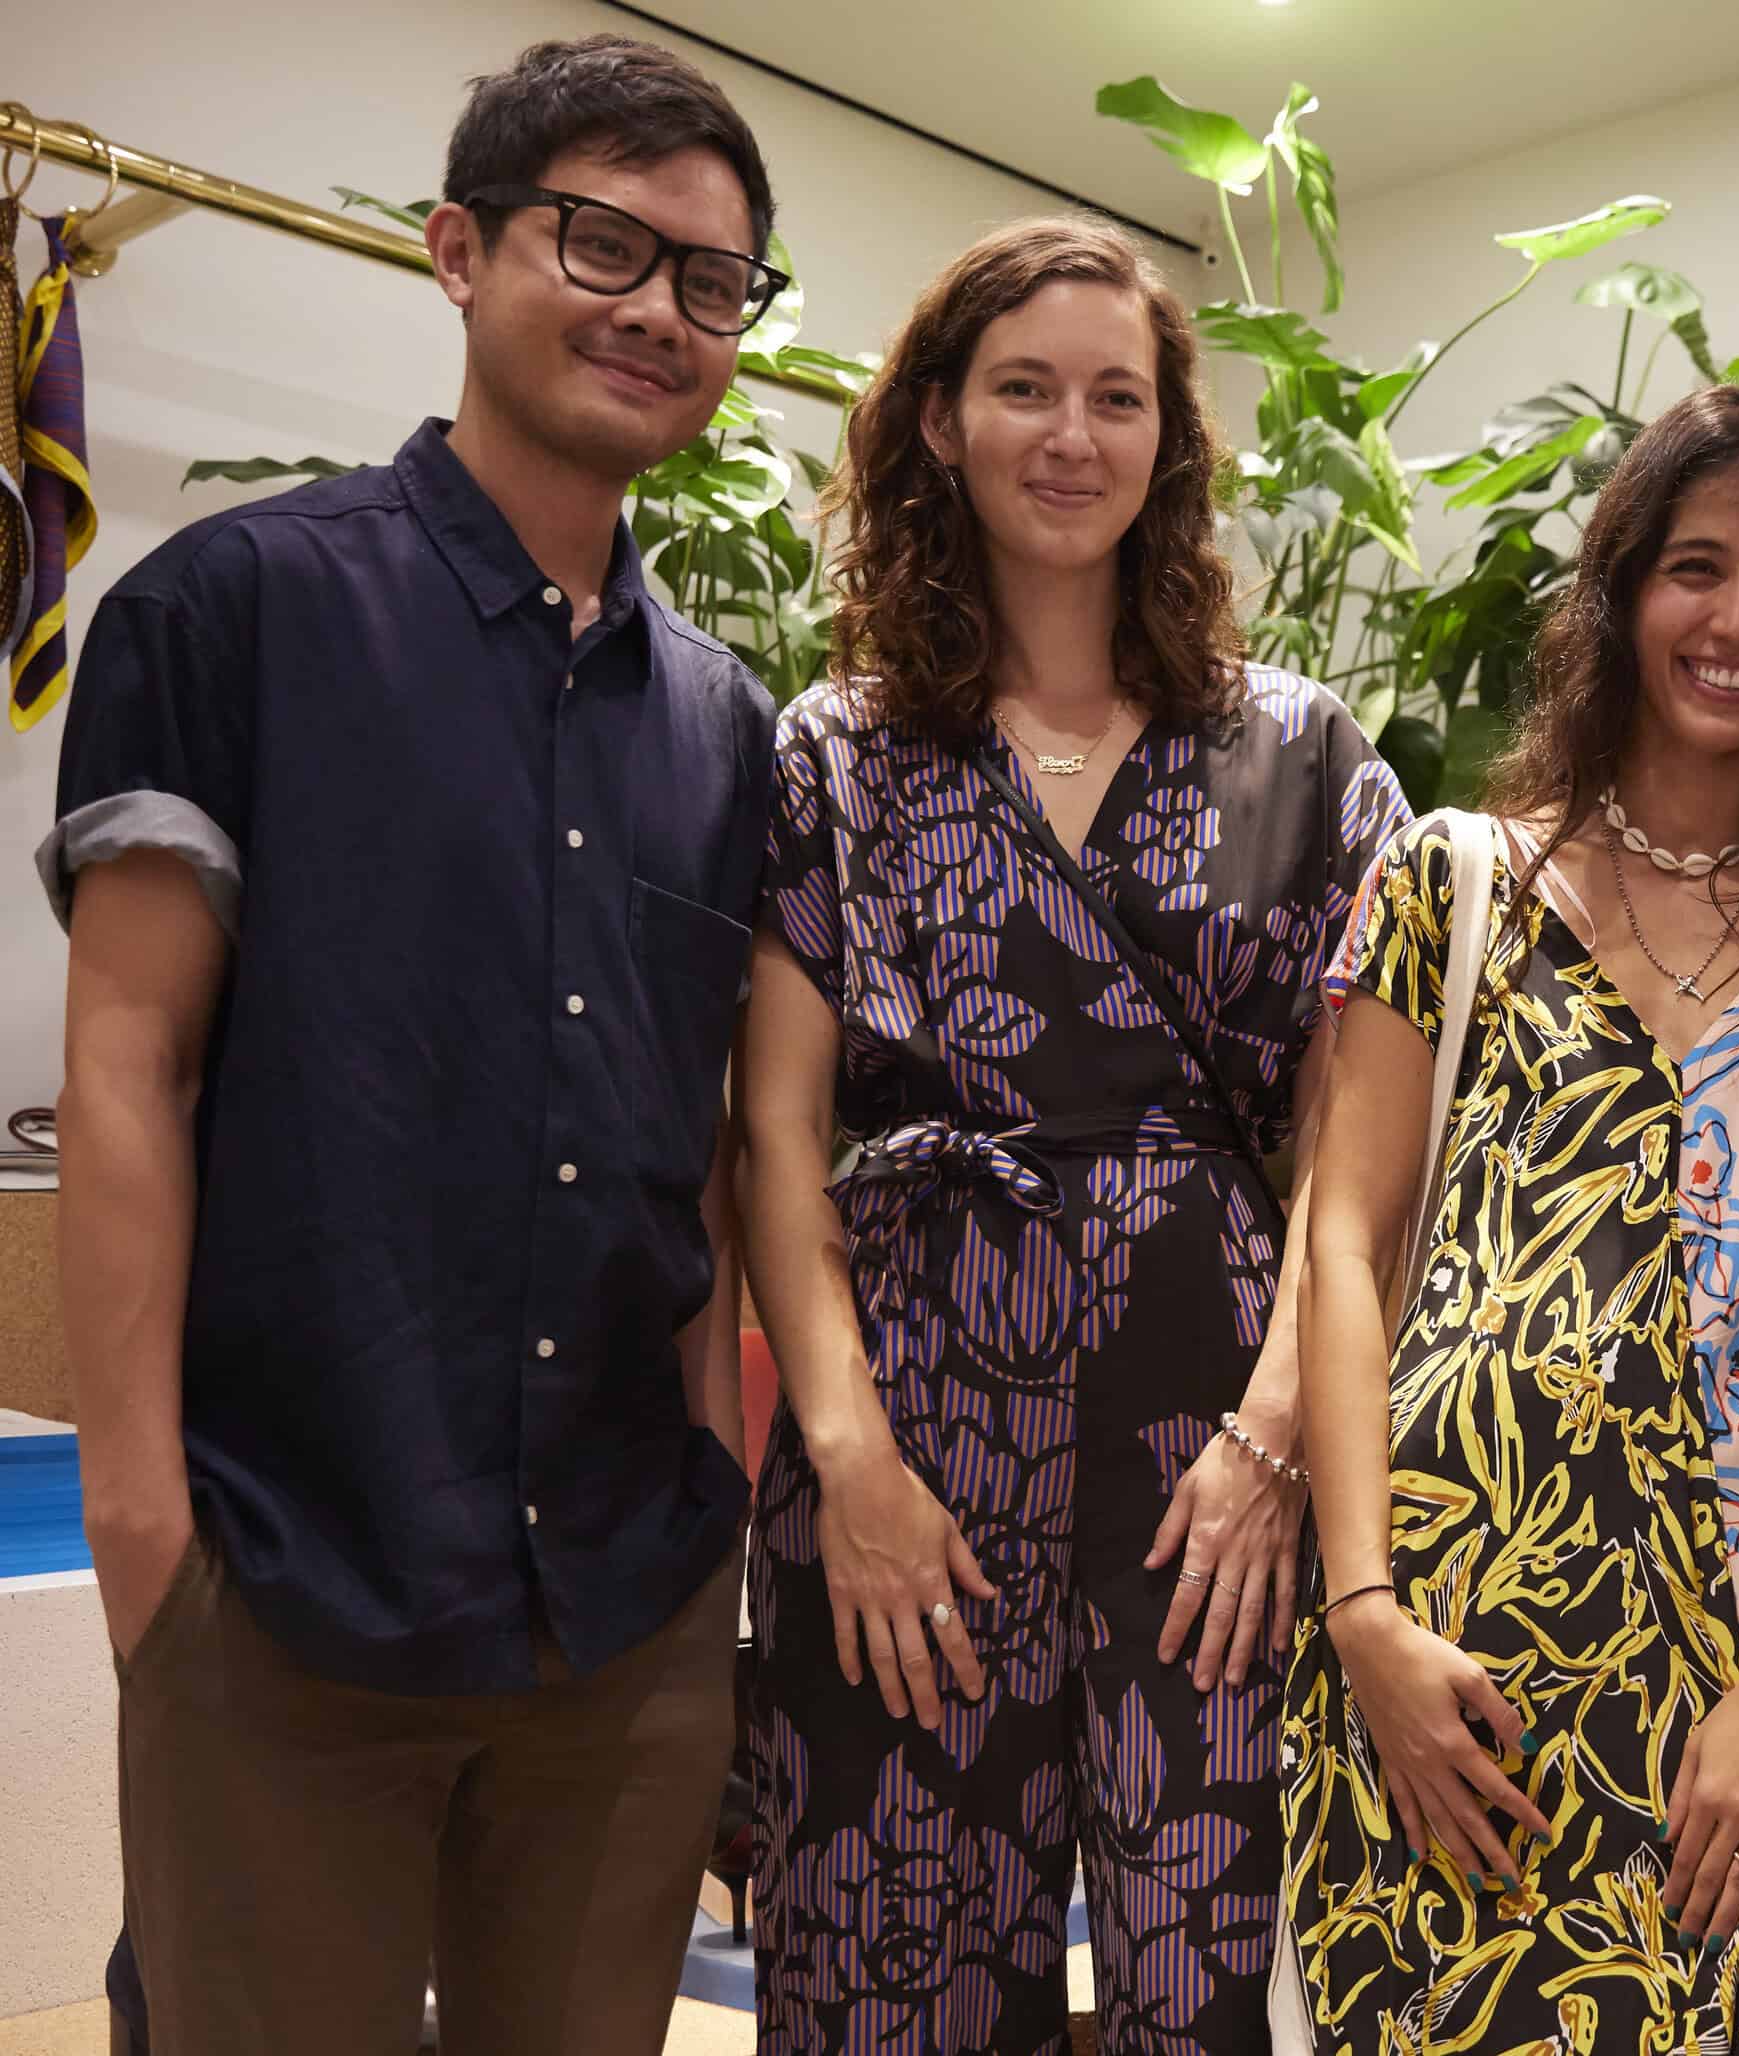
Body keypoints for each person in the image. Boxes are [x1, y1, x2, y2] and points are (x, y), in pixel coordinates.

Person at [41, 35, 776, 2056]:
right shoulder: (232, 609)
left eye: (713, 283)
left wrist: (715, 1466)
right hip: (287, 1570)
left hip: (623, 1603)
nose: (660, 311)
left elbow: (705, 1146)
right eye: (603, 244)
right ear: (461, 250)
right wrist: (144, 1534)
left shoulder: (727, 724)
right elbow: (129, 1073)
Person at [736, 215, 1409, 2054]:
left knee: (1202, 1970)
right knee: (892, 1962)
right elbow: (777, 1139)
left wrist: (1279, 1443)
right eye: (1024, 387)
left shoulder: (1305, 750)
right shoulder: (839, 752)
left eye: (1119, 397)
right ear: (940, 422)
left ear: (1167, 443)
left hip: (1216, 1458)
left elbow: (1370, 1159)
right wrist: (845, 1460)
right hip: (908, 1449)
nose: (1072, 434)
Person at [1282, 377, 1739, 2055]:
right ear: (1622, 589)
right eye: (1697, 566)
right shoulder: (1449, 880)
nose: (1738, 620)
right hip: (1451, 1659)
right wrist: (1362, 1611)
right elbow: (1346, 1244)